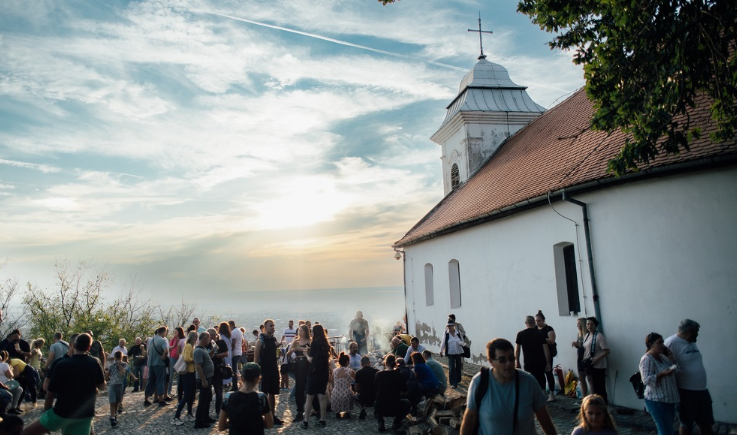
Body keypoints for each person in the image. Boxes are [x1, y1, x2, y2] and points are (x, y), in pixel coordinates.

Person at [460, 338, 557, 435]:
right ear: (491, 361)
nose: (508, 364)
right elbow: (470, 417)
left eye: (511, 358)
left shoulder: (528, 382)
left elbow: (543, 418)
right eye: (502, 360)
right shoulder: (479, 382)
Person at [21, 333, 106, 435]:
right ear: (89, 347)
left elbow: (50, 394)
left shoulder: (62, 364)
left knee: (26, 433)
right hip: (85, 414)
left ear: (73, 345)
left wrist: (47, 413)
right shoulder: (95, 362)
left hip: (62, 412)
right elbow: (102, 386)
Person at [664, 319, 714, 435]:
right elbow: (666, 366)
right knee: (686, 424)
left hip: (702, 391)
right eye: (697, 331)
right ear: (690, 331)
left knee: (706, 423)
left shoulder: (691, 342)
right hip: (685, 393)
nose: (698, 334)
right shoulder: (671, 343)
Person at [217, 363, 274, 434]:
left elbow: (221, 427)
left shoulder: (228, 397)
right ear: (258, 379)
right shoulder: (261, 397)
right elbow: (270, 424)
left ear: (241, 378)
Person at [639, 332, 678, 435]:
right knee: (665, 431)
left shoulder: (662, 357)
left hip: (669, 399)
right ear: (651, 344)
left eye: (662, 342)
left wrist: (671, 358)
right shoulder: (647, 359)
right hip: (656, 400)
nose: (662, 345)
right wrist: (662, 374)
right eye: (659, 343)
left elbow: (676, 369)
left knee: (669, 429)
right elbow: (646, 380)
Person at [254, 319, 283, 426]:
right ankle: (261, 418)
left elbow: (275, 354)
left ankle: (272, 416)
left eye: (273, 325)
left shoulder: (273, 339)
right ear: (265, 327)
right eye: (271, 326)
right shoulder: (260, 341)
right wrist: (257, 373)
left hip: (273, 370)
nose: (273, 327)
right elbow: (256, 359)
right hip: (264, 371)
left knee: (272, 394)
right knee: (263, 395)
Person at [301, 324, 330, 429]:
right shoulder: (325, 344)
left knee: (309, 397)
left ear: (315, 332)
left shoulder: (314, 343)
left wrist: (306, 354)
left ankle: (306, 421)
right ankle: (322, 420)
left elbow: (311, 359)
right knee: (322, 397)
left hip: (314, 373)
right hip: (324, 373)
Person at [373, 354, 410, 432]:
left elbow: (375, 389)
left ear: (385, 363)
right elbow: (405, 391)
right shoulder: (399, 375)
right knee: (407, 403)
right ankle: (396, 422)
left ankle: (381, 422)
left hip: (381, 407)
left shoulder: (378, 374)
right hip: (395, 406)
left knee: (376, 402)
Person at [516, 315, 552, 390]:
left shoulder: (520, 334)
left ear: (525, 323)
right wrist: (548, 363)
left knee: (530, 380)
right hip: (540, 361)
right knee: (541, 380)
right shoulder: (540, 334)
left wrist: (517, 361)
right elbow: (546, 350)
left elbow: (517, 350)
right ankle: (543, 394)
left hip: (528, 362)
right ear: (534, 322)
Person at [581, 317, 609, 403]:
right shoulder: (587, 336)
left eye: (591, 324)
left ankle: (603, 405)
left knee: (600, 387)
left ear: (595, 325)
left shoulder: (599, 337)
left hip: (598, 366)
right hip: (589, 364)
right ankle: (595, 404)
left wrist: (597, 358)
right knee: (592, 385)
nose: (589, 326)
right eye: (588, 324)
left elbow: (607, 351)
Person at [172, 331, 197, 426]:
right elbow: (187, 358)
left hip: (190, 372)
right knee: (187, 395)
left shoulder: (190, 346)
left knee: (190, 395)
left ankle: (189, 413)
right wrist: (195, 360)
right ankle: (176, 416)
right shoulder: (189, 346)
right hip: (188, 373)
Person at [289, 324, 311, 422]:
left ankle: (314, 408)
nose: (300, 332)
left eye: (302, 331)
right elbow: (288, 354)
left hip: (307, 364)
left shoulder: (309, 341)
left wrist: (302, 350)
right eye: (299, 331)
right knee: (299, 387)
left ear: (306, 332)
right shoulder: (296, 341)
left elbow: (312, 352)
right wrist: (293, 350)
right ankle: (300, 411)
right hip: (298, 365)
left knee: (309, 386)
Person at [144, 326, 170, 407]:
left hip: (151, 363)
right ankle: (161, 400)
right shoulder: (162, 340)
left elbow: (148, 352)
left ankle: (146, 399)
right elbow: (166, 350)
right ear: (164, 332)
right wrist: (164, 357)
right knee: (160, 381)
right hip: (159, 363)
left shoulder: (151, 340)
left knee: (150, 381)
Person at [535, 310, 559, 401]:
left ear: (543, 320)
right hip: (538, 353)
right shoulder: (535, 329)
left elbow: (551, 340)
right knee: (540, 373)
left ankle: (552, 394)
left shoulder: (548, 328)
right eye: (536, 321)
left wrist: (541, 338)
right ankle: (543, 391)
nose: (537, 323)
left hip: (548, 353)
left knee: (548, 372)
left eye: (539, 321)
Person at [193, 331, 215, 429]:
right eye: (208, 338)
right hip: (204, 379)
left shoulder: (203, 349)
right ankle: (199, 421)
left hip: (208, 377)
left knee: (207, 398)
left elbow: (208, 357)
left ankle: (206, 417)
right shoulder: (198, 351)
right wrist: (203, 380)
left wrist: (214, 350)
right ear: (204, 339)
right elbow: (198, 366)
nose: (209, 340)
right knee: (203, 400)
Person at [440, 321, 466, 389]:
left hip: (458, 351)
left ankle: (458, 380)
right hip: (450, 352)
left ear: (453, 326)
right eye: (448, 326)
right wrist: (441, 351)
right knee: (451, 367)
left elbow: (462, 341)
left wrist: (462, 344)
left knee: (458, 366)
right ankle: (453, 383)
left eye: (450, 326)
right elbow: (443, 342)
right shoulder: (446, 334)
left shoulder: (458, 333)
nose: (449, 327)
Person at [107, 351, 130, 427]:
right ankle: (112, 417)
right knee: (112, 402)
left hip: (119, 385)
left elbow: (122, 373)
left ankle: (114, 414)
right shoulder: (112, 365)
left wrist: (119, 365)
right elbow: (108, 374)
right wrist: (105, 381)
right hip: (112, 385)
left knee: (117, 401)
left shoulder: (124, 364)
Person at [331, 352, 356, 418]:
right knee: (351, 393)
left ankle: (337, 411)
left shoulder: (334, 371)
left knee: (335, 392)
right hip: (346, 394)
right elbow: (357, 380)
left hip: (335, 394)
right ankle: (348, 411)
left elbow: (332, 383)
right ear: (347, 362)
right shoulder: (350, 371)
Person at [354, 355, 378, 420]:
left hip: (363, 397)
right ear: (369, 363)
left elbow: (356, 388)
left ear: (361, 364)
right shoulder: (376, 371)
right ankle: (376, 410)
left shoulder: (358, 373)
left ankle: (362, 409)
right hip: (375, 397)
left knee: (354, 397)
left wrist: (359, 392)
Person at [571, 317, 589, 397]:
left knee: (589, 379)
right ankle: (584, 397)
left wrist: (578, 345)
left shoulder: (587, 335)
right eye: (577, 324)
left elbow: (586, 346)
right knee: (581, 378)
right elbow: (579, 346)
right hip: (580, 357)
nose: (577, 326)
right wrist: (575, 344)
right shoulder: (579, 334)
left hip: (586, 357)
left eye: (579, 324)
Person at [168, 327, 184, 398]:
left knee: (179, 375)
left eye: (176, 332)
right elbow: (169, 348)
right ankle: (169, 390)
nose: (175, 333)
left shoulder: (183, 339)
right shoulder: (173, 339)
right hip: (173, 357)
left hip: (180, 358)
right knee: (171, 374)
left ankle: (179, 391)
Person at [229, 320, 244, 391]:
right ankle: (238, 383)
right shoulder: (239, 331)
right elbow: (242, 341)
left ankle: (235, 386)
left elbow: (233, 343)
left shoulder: (233, 332)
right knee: (235, 369)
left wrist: (231, 349)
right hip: (239, 351)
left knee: (234, 370)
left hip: (235, 352)